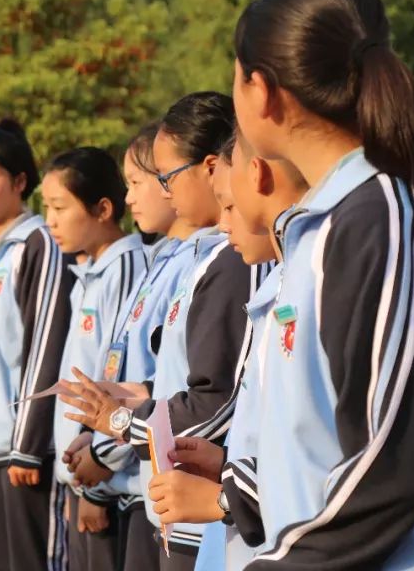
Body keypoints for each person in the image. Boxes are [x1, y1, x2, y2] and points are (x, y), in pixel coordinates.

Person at [230, 0, 414, 568]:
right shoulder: (314, 228)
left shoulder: (378, 216)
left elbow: (390, 459)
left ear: (261, 92)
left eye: (235, 77)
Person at [63, 92, 270, 571]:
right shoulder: (198, 257)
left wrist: (117, 425)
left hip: (207, 510)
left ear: (211, 166)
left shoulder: (236, 261)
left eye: (165, 176)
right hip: (176, 499)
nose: (162, 190)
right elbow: (184, 376)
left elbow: (216, 402)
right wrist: (137, 397)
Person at [146, 129, 306, 571]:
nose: (222, 222)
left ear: (260, 179)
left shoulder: (310, 284)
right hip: (244, 541)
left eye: (231, 206)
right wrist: (225, 465)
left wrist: (225, 495)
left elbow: (330, 454)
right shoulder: (275, 285)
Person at [0, 122, 73, 571]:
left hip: (24, 450)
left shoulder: (38, 244)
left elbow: (45, 344)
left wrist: (27, 445)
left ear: (20, 181)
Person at [42, 148, 146, 571]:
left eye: (60, 207)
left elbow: (116, 377)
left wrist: (95, 491)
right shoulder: (90, 270)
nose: (50, 220)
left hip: (105, 478)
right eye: (46, 207)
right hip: (83, 469)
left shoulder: (124, 269)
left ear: (103, 208)